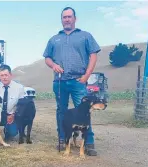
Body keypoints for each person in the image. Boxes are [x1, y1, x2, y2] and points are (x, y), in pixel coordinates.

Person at [43, 7, 101, 156]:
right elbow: (47, 58)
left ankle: (88, 143)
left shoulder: (85, 36)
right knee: (61, 111)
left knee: (84, 111)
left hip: (78, 81)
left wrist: (87, 76)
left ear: (75, 18)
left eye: (69, 17)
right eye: (64, 17)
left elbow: (93, 55)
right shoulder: (54, 39)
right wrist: (54, 65)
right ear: (61, 20)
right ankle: (62, 139)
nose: (67, 19)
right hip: (60, 82)